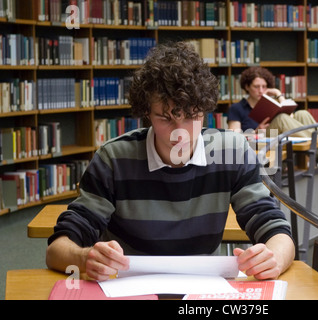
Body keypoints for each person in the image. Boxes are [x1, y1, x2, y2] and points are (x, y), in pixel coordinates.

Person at [46, 41, 295, 282]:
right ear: (146, 113)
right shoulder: (114, 158)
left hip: (202, 291)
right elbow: (57, 249)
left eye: (192, 116)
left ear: (205, 110)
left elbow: (275, 229)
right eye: (166, 118)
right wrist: (83, 257)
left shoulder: (232, 151)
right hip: (130, 289)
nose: (181, 133)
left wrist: (273, 257)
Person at [228, 66, 318, 139]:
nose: (261, 90)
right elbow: (234, 138)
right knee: (281, 118)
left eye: (264, 87)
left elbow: (290, 119)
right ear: (247, 87)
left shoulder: (270, 104)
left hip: (278, 137)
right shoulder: (237, 108)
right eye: (256, 87)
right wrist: (256, 131)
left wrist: (278, 94)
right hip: (257, 141)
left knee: (302, 114)